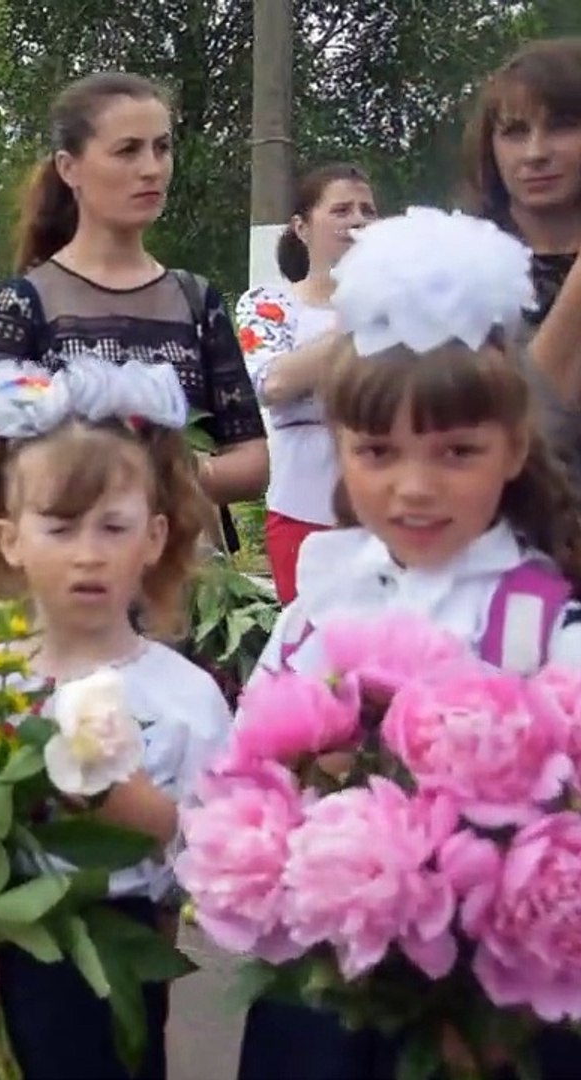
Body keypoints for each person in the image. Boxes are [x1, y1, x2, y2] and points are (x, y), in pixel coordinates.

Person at [234, 207, 581, 1080]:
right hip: (327, 991)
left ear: (512, 450)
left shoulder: (532, 610)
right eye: (378, 451)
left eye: (456, 451)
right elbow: (246, 775)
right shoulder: (319, 603)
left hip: (486, 1005)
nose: (414, 487)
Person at [0, 355, 229, 1080]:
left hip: (108, 993)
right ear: (10, 539)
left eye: (114, 527)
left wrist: (138, 811)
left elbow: (224, 871)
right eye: (60, 528)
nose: (89, 556)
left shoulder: (184, 699)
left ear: (155, 537)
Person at [0, 74, 267, 540]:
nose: (152, 168)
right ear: (69, 168)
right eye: (128, 151)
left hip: (187, 580)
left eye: (162, 148)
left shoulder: (195, 300)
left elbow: (253, 462)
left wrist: (174, 470)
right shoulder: (24, 305)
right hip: (67, 578)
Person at [234, 165, 377, 602]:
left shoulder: (401, 307)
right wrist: (361, 317)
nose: (357, 221)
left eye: (367, 211)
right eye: (340, 210)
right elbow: (272, 382)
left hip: (386, 505)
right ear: (301, 226)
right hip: (302, 504)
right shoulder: (269, 304)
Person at [464, 39, 581, 491]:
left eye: (563, 126)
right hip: (518, 546)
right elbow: (527, 441)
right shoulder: (455, 272)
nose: (535, 152)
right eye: (514, 131)